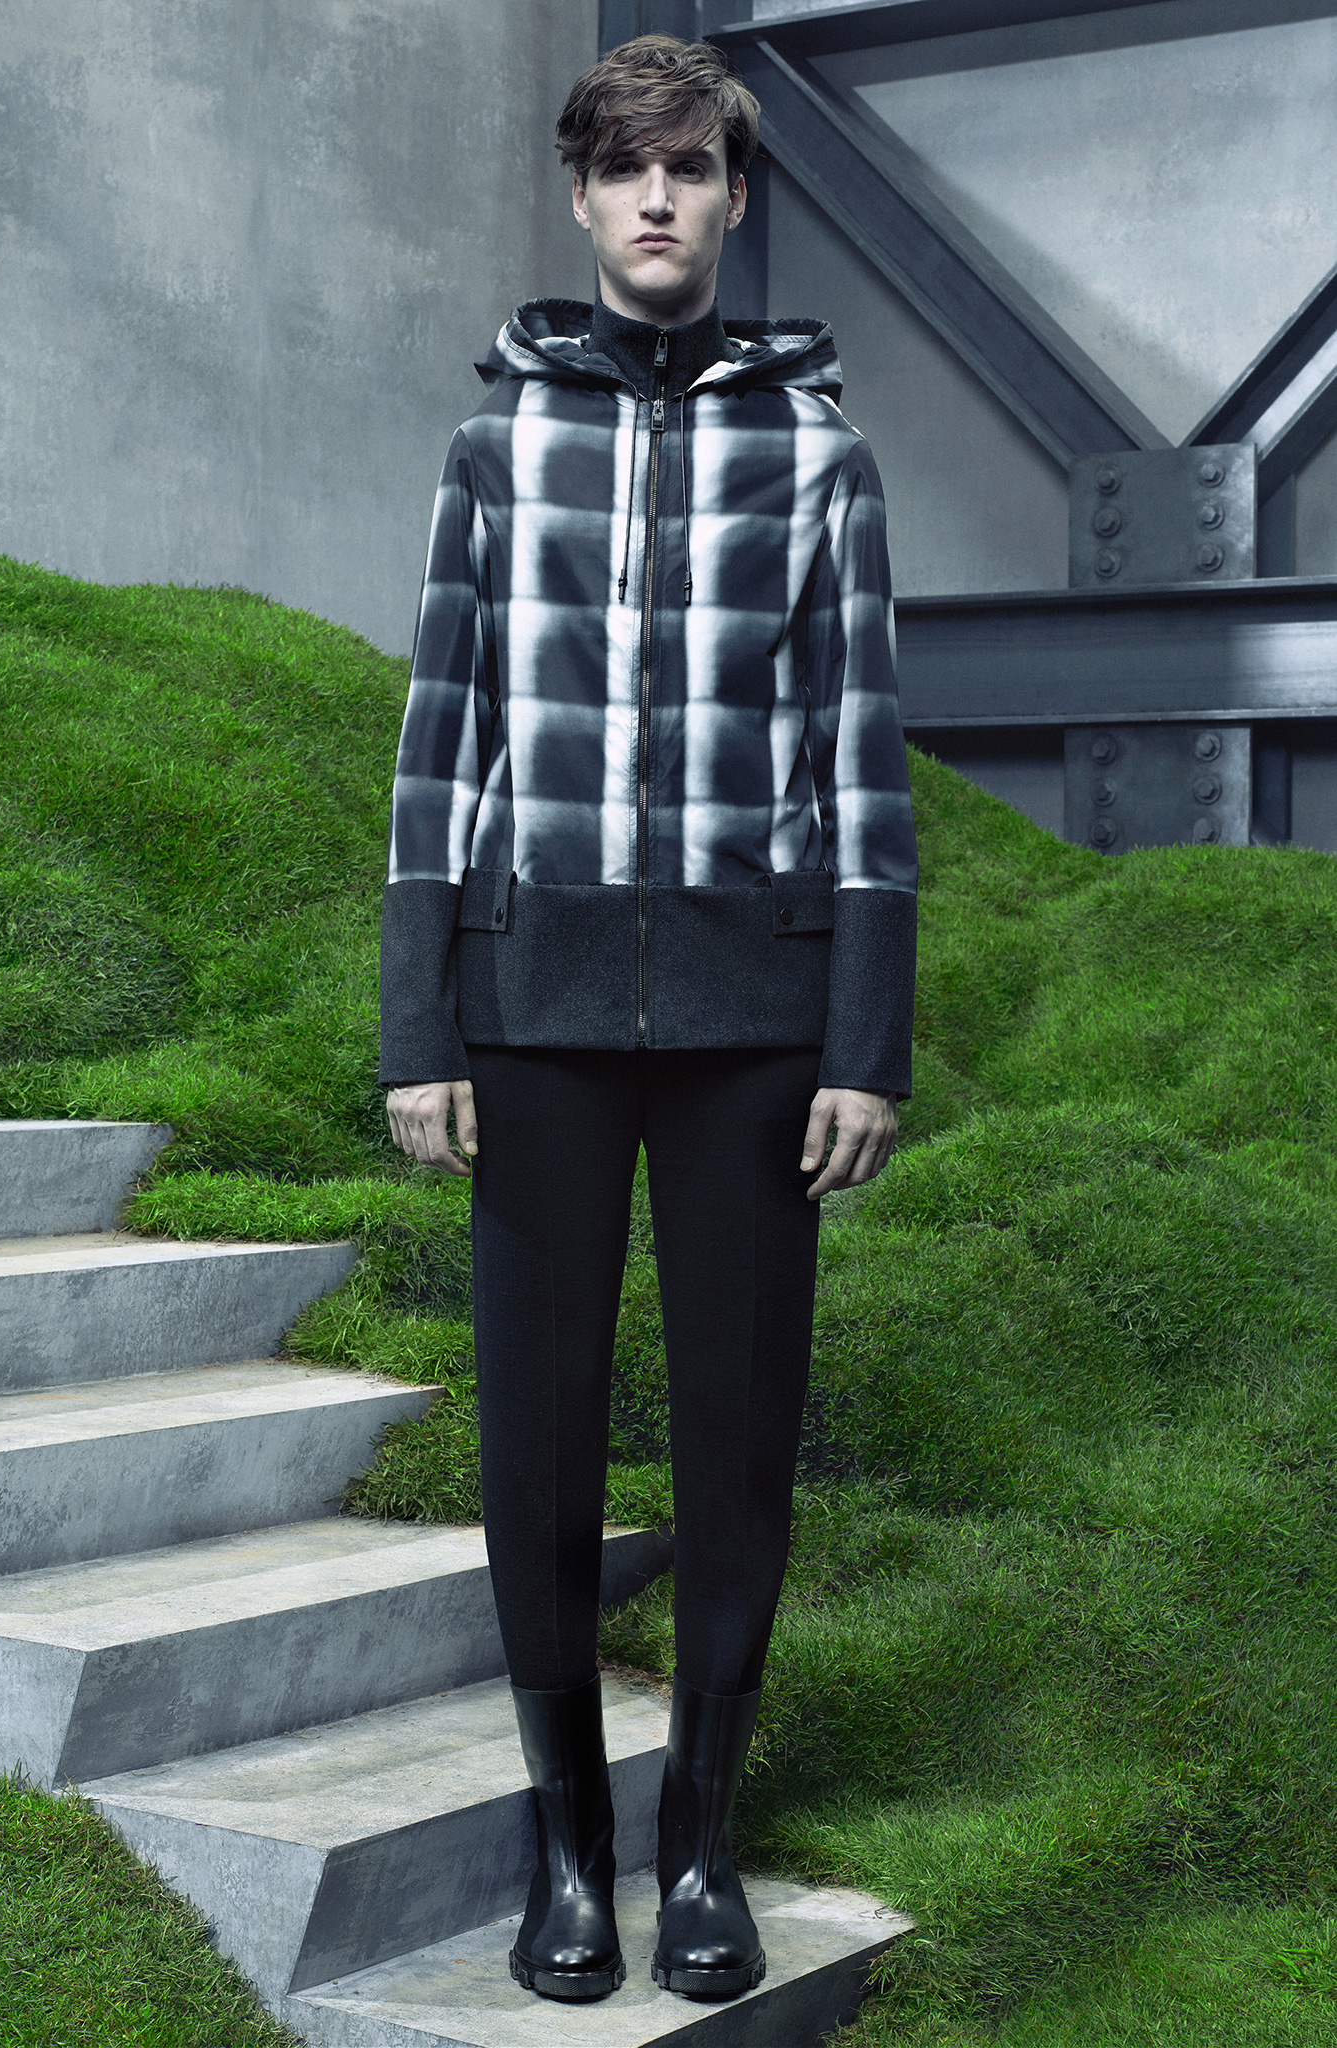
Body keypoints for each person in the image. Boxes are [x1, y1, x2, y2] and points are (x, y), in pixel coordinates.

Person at [379, 32, 917, 2007]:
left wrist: (861, 1044)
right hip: (526, 1011)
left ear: (733, 198)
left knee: (736, 1444)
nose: (659, 200)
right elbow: (438, 750)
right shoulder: (494, 449)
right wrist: (418, 1026)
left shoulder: (820, 457)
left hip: (752, 1021)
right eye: (626, 170)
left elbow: (860, 761)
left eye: (690, 169)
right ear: (583, 197)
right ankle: (566, 1852)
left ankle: (698, 1841)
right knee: (532, 1446)